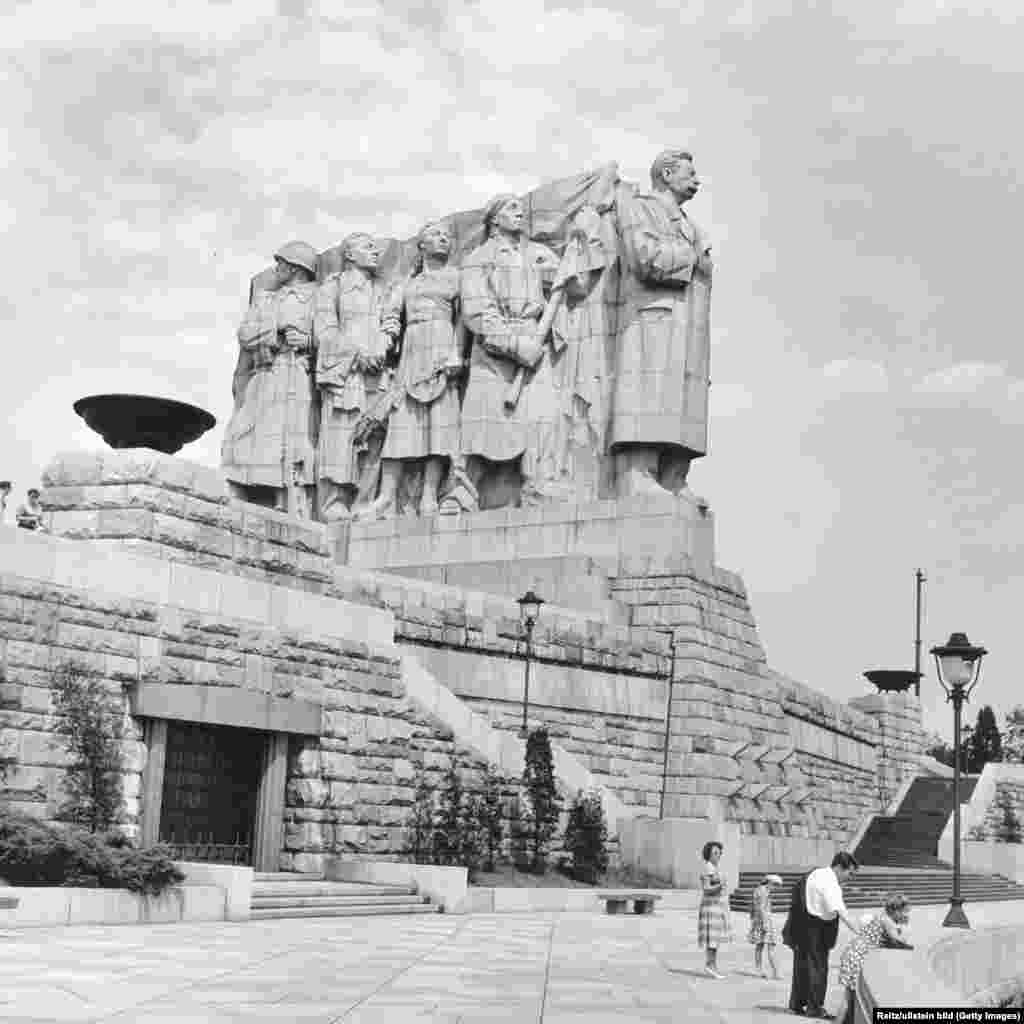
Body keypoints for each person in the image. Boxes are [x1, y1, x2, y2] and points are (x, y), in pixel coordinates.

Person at [609, 148, 712, 498]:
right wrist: (690, 257)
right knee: (647, 396)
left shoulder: (690, 224)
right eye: (690, 173)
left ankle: (673, 474)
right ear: (667, 175)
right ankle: (637, 473)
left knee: (683, 399)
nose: (697, 180)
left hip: (688, 325)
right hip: (652, 318)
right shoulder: (640, 208)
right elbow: (643, 257)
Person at [362, 221, 464, 519]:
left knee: (438, 423)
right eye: (435, 235)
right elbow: (393, 316)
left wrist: (456, 352)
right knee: (401, 423)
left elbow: (462, 319)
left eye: (447, 235)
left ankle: (430, 495)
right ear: (422, 245)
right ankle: (386, 496)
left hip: (442, 346)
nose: (443, 238)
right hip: (411, 351)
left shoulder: (456, 277)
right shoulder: (408, 283)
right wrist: (384, 340)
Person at [221, 241, 319, 518]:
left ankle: (286, 498)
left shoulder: (316, 297)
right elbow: (245, 333)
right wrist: (274, 331)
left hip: (296, 373)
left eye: (282, 263)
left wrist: (308, 340)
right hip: (263, 374)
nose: (277, 268)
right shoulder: (265, 297)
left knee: (290, 437)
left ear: (296, 268)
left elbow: (327, 334)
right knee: (248, 430)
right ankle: (240, 486)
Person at [314, 232, 400, 521]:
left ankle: (365, 501)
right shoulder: (333, 287)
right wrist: (356, 354)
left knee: (374, 435)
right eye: (368, 247)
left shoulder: (384, 288)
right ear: (350, 254)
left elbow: (391, 321)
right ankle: (334, 502)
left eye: (376, 248)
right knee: (341, 435)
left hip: (377, 370)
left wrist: (383, 346)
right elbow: (325, 331)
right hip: (345, 372)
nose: (375, 252)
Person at [783, 851, 861, 1019]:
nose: (850, 877)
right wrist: (859, 931)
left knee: (801, 965)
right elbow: (840, 910)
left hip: (802, 923)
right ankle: (815, 1008)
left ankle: (796, 1004)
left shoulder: (816, 873)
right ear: (840, 868)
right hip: (816, 929)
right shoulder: (830, 882)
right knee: (818, 968)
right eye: (850, 873)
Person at [833, 894, 912, 1024]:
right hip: (858, 955)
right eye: (904, 912)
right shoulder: (887, 921)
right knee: (849, 997)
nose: (906, 915)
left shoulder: (883, 917)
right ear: (895, 910)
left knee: (851, 994)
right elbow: (899, 942)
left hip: (853, 952)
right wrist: (905, 927)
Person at [697, 840, 732, 978]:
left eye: (719, 853)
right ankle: (710, 965)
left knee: (715, 938)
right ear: (709, 854)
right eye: (715, 853)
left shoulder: (713, 868)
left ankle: (712, 966)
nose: (718, 855)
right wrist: (720, 886)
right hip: (711, 907)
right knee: (712, 938)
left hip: (716, 906)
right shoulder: (708, 868)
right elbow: (706, 888)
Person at [749, 873, 783, 978]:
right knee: (770, 946)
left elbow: (754, 907)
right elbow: (761, 908)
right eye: (775, 885)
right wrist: (765, 924)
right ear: (770, 882)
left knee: (759, 946)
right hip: (764, 921)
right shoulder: (763, 891)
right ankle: (775, 972)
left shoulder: (759, 890)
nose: (776, 888)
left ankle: (759, 970)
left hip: (759, 920)